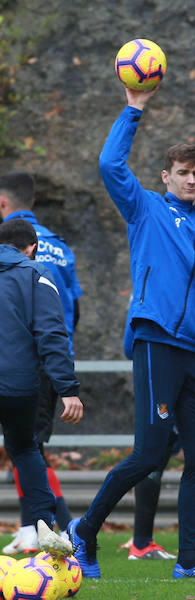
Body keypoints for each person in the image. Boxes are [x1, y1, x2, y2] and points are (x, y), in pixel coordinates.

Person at [68, 84, 195, 579]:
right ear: (167, 177)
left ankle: (188, 563)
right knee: (148, 455)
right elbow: (108, 166)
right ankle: (86, 530)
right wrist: (133, 108)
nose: (190, 179)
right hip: (155, 342)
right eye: (182, 173)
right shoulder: (145, 208)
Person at [0, 171, 81, 553]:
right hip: (19, 382)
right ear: (32, 248)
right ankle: (45, 526)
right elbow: (54, 332)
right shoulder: (37, 271)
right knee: (26, 448)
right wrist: (68, 389)